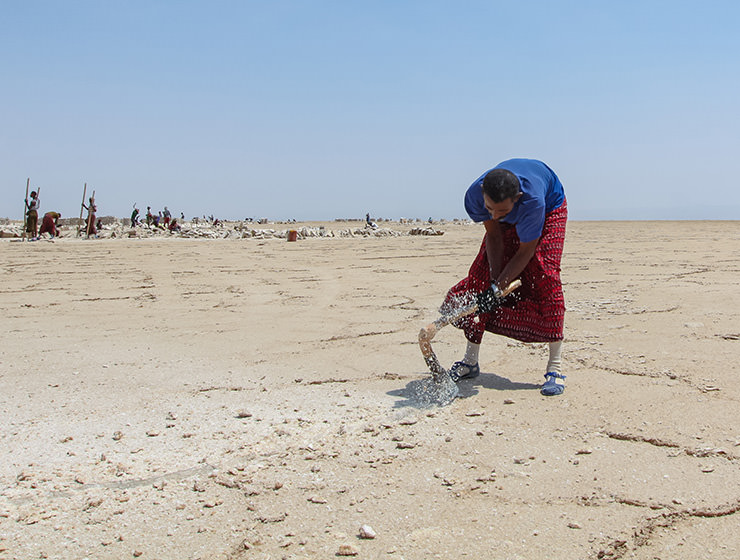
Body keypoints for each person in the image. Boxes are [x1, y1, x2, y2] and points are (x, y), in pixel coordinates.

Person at [441, 158, 567, 396]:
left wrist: (499, 287)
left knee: (544, 274)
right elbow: (495, 235)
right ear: (483, 195)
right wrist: (492, 285)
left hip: (551, 207)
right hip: (509, 207)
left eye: (502, 211)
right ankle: (470, 361)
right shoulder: (476, 196)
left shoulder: (532, 201)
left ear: (517, 198)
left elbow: (526, 250)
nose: (496, 216)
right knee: (479, 278)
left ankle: (555, 368)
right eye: (490, 209)